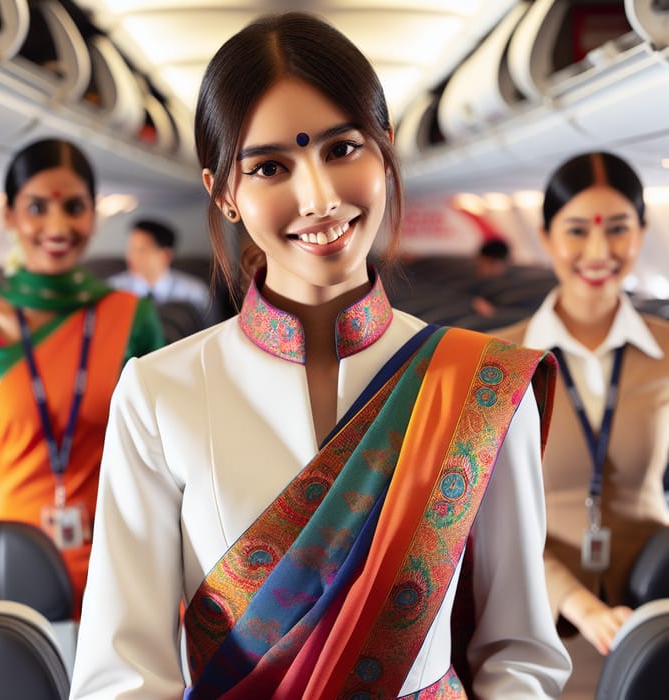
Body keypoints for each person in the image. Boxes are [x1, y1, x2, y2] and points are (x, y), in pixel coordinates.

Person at [70, 12, 571, 698]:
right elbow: (123, 670)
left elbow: (520, 654)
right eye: (272, 166)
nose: (319, 198)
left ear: (385, 150)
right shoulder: (158, 393)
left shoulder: (480, 385)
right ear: (225, 193)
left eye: (342, 150)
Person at [495, 151, 669, 697]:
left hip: (652, 614)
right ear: (546, 237)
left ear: (642, 233)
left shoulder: (668, 351)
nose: (599, 251)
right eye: (577, 231)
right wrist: (579, 603)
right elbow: (491, 519)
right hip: (538, 623)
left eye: (619, 229)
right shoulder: (498, 359)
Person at [0, 138, 166, 618]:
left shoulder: (131, 315)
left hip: (115, 548)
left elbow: (167, 450)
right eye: (37, 207)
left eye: (73, 207)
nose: (57, 226)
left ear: (93, 216)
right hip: (4, 559)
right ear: (11, 216)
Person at [108, 218, 216, 322]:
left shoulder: (194, 293)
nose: (131, 256)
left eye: (141, 250)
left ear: (165, 255)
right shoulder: (114, 289)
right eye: (131, 249)